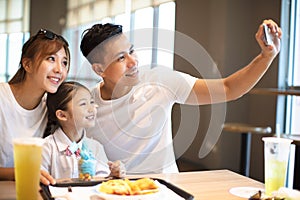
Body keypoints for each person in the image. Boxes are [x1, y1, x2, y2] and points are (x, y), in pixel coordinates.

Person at [79, 19, 282, 174]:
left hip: (166, 190)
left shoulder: (160, 81)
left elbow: (229, 88)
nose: (133, 62)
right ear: (100, 69)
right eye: (121, 58)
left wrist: (266, 56)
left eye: (131, 51)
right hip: (113, 192)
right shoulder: (85, 105)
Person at [0, 28, 70, 185]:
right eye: (51, 59)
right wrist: (21, 173)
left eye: (64, 62)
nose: (60, 69)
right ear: (27, 64)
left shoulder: (51, 107)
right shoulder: (2, 98)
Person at [41, 81, 125, 179]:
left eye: (92, 102)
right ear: (62, 115)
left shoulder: (96, 147)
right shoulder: (46, 148)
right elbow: (40, 181)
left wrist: (113, 174)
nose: (92, 108)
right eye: (83, 104)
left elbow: (101, 181)